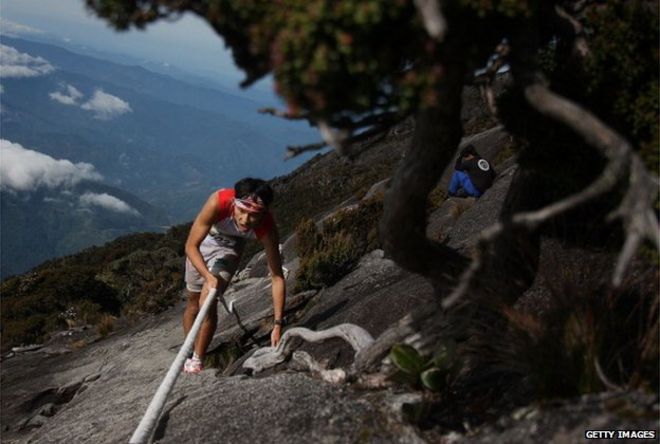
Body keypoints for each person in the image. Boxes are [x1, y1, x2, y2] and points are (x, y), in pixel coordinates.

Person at [182, 178, 286, 374]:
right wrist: (206, 274)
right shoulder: (219, 201)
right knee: (193, 303)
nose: (245, 220)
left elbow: (277, 277)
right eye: (242, 211)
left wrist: (278, 323)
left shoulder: (266, 226)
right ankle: (188, 350)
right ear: (234, 203)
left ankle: (197, 360)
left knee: (208, 301)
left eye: (253, 215)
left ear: (263, 213)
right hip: (204, 244)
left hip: (229, 249)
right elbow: (190, 246)